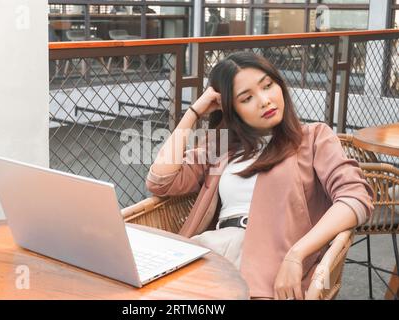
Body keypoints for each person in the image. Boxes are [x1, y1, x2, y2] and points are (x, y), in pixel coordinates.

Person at [145, 52, 373, 300]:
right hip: (214, 252)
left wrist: (296, 255)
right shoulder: (221, 146)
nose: (264, 101)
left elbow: (355, 198)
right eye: (246, 98)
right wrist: (193, 113)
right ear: (232, 109)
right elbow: (161, 181)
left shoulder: (314, 137)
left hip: (273, 260)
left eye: (268, 86)